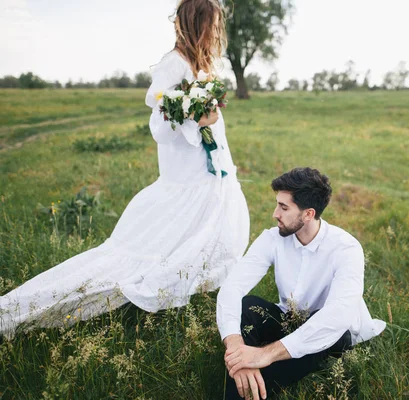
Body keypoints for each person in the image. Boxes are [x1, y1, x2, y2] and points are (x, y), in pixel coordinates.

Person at [0, 0, 249, 337]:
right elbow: (160, 122)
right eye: (211, 24)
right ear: (196, 23)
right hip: (185, 174)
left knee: (209, 230)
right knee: (150, 246)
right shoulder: (172, 64)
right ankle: (23, 308)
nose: (215, 31)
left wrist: (209, 118)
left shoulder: (202, 63)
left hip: (209, 168)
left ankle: (194, 290)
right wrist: (195, 117)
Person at [217, 167, 386, 399]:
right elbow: (232, 287)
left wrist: (266, 354)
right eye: (277, 204)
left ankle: (246, 388)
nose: (275, 213)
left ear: (308, 214)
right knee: (247, 305)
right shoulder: (273, 238)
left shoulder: (346, 248)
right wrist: (235, 345)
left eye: (284, 207)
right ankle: (244, 368)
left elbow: (338, 315)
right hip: (288, 318)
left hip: (329, 332)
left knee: (329, 329)